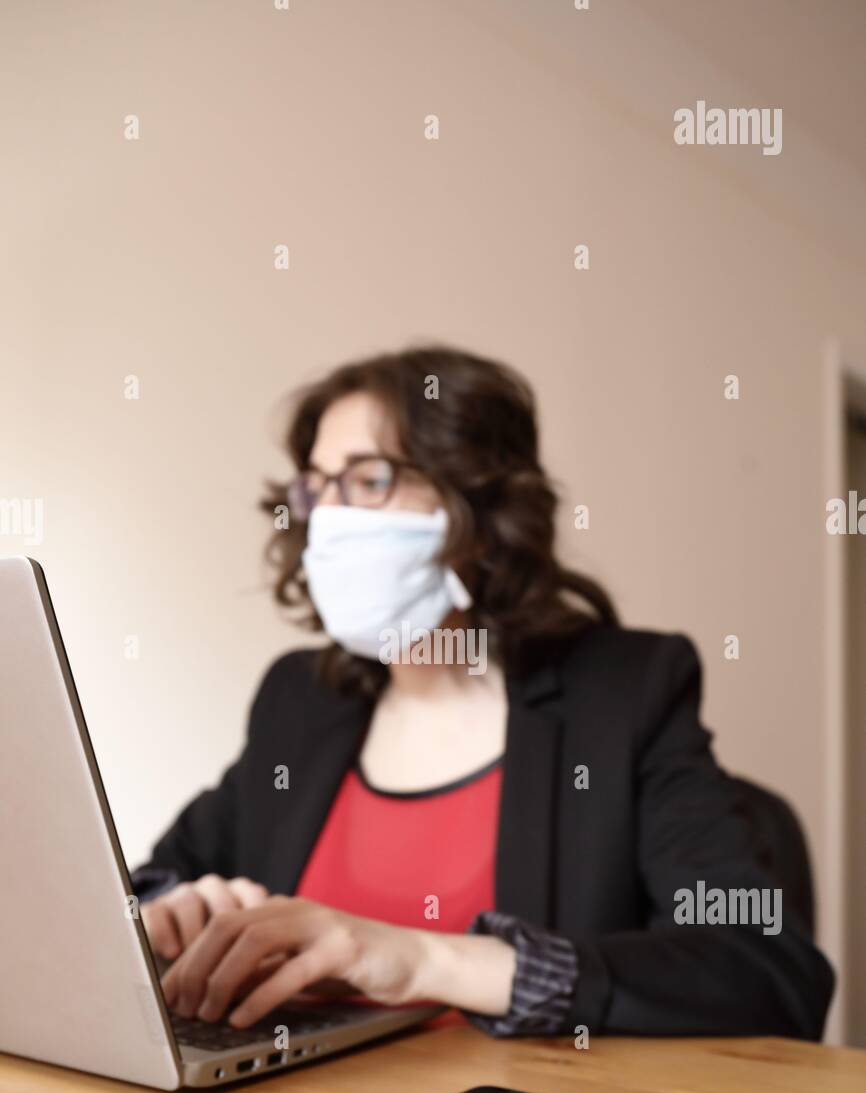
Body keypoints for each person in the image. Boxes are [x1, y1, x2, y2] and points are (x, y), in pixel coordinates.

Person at [133, 344, 834, 1041]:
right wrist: (173, 909)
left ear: (478, 507)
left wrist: (424, 960)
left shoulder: (625, 695)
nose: (331, 520)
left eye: (370, 479)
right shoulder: (302, 699)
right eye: (317, 488)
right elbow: (147, 882)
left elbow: (765, 965)